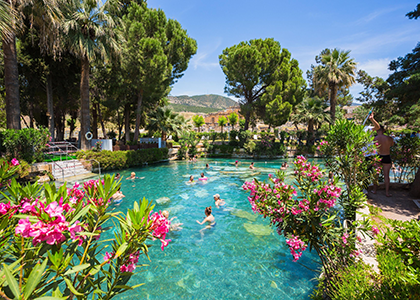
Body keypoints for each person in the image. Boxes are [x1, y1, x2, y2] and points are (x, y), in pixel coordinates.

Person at [369, 112, 394, 197]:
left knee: (376, 174)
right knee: (386, 176)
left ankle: (374, 190)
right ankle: (387, 192)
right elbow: (392, 145)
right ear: (383, 130)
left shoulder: (374, 138)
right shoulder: (389, 138)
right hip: (386, 156)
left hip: (378, 156)